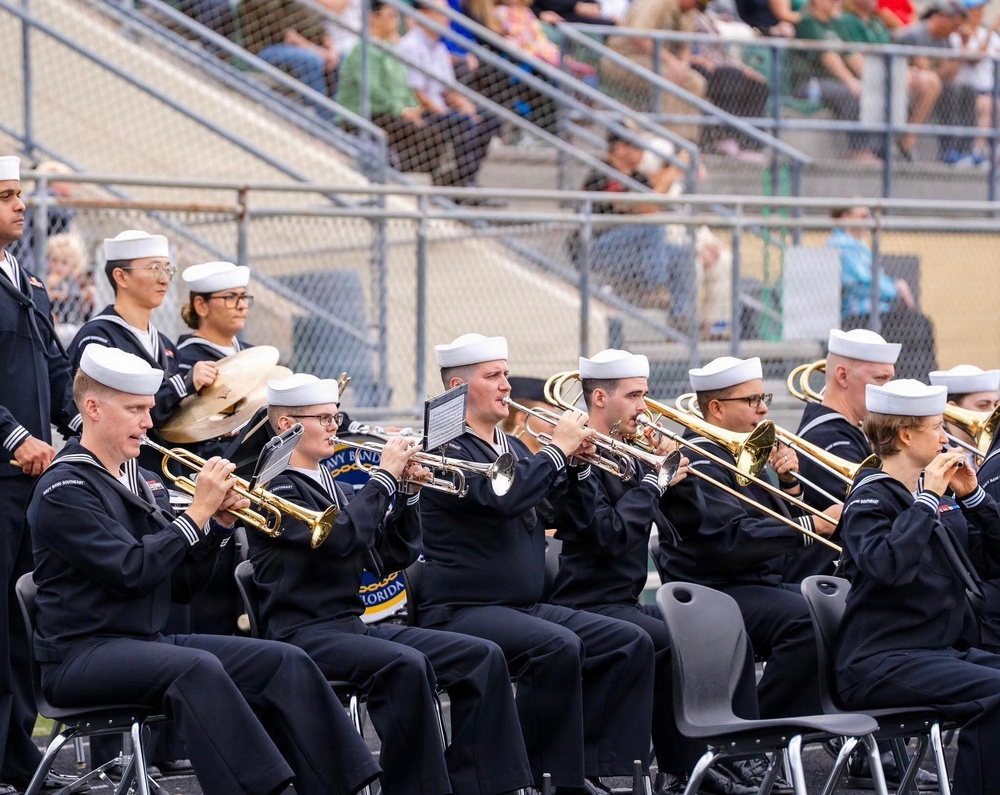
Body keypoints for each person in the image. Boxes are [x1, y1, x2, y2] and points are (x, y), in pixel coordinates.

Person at [26, 345, 381, 795]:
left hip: (143, 640)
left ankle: (340, 787)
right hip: (82, 655)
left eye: (149, 409)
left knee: (282, 661)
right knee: (196, 668)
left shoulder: (142, 480)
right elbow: (130, 571)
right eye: (135, 409)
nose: (149, 423)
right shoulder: (66, 487)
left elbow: (182, 587)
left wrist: (219, 524)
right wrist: (195, 516)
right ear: (92, 408)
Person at [250, 372, 533, 795]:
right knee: (404, 665)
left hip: (349, 626)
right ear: (286, 425)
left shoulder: (338, 487)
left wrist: (408, 494)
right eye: (323, 419)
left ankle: (483, 783)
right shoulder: (275, 488)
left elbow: (388, 558)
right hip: (302, 633)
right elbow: (342, 538)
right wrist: (384, 478)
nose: (334, 427)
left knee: (482, 656)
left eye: (336, 417)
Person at [416, 333, 656, 793]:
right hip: (464, 609)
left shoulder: (506, 444)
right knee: (556, 645)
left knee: (627, 640)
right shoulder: (443, 446)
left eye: (505, 374)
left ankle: (585, 767)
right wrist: (554, 452)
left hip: (519, 606)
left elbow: (546, 505)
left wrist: (578, 467)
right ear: (458, 387)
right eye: (494, 376)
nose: (507, 385)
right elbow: (501, 496)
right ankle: (546, 778)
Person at [549, 350, 773, 795]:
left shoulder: (632, 453)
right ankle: (604, 769)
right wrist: (653, 482)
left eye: (645, 394)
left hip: (624, 601)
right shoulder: (579, 459)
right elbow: (609, 535)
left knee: (710, 630)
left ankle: (699, 763)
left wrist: (678, 479)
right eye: (634, 396)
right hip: (585, 601)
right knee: (660, 639)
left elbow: (687, 525)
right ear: (599, 397)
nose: (644, 407)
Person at [836, 379, 1000, 795]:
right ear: (906, 435)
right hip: (880, 661)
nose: (946, 438)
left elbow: (989, 564)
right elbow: (887, 565)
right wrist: (926, 500)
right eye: (936, 427)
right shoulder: (869, 497)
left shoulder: (940, 499)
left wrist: (977, 499)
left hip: (935, 652)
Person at [654, 355, 838, 720]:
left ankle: (793, 729)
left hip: (752, 582)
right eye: (752, 400)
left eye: (762, 397)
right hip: (715, 589)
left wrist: (790, 485)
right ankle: (762, 729)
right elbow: (731, 541)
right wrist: (812, 525)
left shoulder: (738, 454)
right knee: (807, 619)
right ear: (717, 408)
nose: (764, 408)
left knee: (838, 608)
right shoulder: (701, 460)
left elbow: (769, 530)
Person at [0, 155, 80, 795]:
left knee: (22, 623)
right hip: (4, 473)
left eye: (19, 195)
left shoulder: (24, 280)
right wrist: (15, 438)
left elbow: (55, 373)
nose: (21, 207)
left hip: (32, 483)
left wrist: (84, 427)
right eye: (6, 197)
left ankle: (17, 753)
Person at [67, 230, 218, 470]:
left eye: (168, 269)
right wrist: (184, 384)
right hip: (118, 469)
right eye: (154, 268)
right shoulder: (99, 337)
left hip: (159, 472)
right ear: (121, 277)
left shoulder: (166, 345)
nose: (164, 279)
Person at [578, 135, 697, 320]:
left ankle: (680, 317)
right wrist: (672, 173)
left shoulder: (638, 177)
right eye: (636, 147)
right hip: (600, 249)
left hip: (635, 252)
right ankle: (655, 288)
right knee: (652, 226)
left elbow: (651, 207)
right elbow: (643, 209)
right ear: (619, 149)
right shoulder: (600, 174)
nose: (642, 152)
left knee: (681, 253)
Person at [394, 0, 502, 195]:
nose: (447, 20)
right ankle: (462, 186)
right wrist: (447, 111)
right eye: (441, 14)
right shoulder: (410, 45)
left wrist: (465, 105)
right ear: (424, 14)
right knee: (463, 122)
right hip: (422, 111)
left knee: (490, 119)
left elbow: (448, 89)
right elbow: (417, 94)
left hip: (441, 108)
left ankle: (468, 179)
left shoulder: (439, 47)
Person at [826, 206, 938, 381]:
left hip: (880, 313)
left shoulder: (859, 246)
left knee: (921, 325)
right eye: (862, 216)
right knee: (916, 326)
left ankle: (922, 383)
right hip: (859, 315)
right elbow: (862, 281)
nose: (868, 221)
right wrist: (897, 289)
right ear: (845, 217)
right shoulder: (841, 244)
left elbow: (877, 279)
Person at [834, 0, 942, 162]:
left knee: (932, 81)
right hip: (865, 74)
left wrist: (906, 70)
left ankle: (907, 141)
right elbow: (855, 60)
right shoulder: (847, 20)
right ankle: (886, 141)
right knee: (901, 80)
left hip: (887, 70)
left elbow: (889, 53)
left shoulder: (876, 22)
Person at [603, 0, 708, 142]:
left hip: (655, 61)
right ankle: (670, 142)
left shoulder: (689, 12)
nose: (697, 8)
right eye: (697, 3)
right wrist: (671, 61)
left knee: (695, 81)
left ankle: (688, 142)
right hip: (622, 58)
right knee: (668, 78)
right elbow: (637, 36)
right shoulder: (655, 3)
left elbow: (685, 45)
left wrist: (682, 64)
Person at [789, 0, 880, 161]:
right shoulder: (807, 21)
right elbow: (828, 56)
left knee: (873, 92)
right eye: (832, 1)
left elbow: (851, 55)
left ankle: (880, 150)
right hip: (808, 83)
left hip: (832, 83)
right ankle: (859, 151)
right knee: (852, 93)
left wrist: (875, 81)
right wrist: (851, 81)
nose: (836, 3)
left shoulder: (835, 24)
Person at [895, 1, 977, 165]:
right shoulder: (916, 34)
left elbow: (949, 75)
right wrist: (952, 62)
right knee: (945, 88)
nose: (955, 30)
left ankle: (964, 151)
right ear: (942, 18)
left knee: (966, 89)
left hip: (929, 84)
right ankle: (946, 150)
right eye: (954, 25)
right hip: (904, 84)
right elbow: (928, 71)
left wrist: (963, 48)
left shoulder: (943, 39)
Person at [948, 0, 1000, 164]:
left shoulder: (986, 33)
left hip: (990, 88)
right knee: (986, 105)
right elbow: (975, 60)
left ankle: (992, 152)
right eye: (976, 10)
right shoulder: (958, 34)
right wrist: (992, 30)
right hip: (968, 90)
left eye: (981, 10)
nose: (981, 14)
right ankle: (977, 152)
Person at [929, 364, 1000, 470]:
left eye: (995, 405)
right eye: (983, 405)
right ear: (952, 409)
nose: (992, 413)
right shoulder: (934, 455)